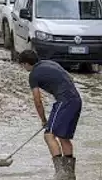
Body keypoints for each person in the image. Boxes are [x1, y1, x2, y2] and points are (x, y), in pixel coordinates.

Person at [17, 50, 81, 179]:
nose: (23, 68)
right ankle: (70, 174)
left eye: (22, 65)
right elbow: (70, 78)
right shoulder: (50, 63)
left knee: (48, 135)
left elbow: (37, 101)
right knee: (63, 138)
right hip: (76, 100)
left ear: (26, 64)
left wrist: (43, 119)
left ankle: (61, 173)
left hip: (64, 102)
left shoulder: (33, 75)